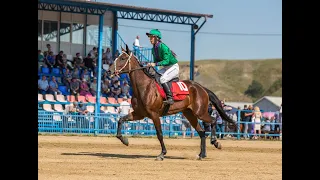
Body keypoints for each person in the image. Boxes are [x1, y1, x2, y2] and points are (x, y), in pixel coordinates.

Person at [146, 29, 179, 105]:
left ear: (157, 38)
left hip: (173, 67)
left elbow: (166, 61)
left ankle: (170, 98)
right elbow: (155, 62)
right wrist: (150, 65)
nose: (150, 39)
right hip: (166, 68)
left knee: (163, 79)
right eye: (149, 37)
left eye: (151, 37)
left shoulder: (163, 47)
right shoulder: (153, 49)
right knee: (155, 77)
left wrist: (154, 64)